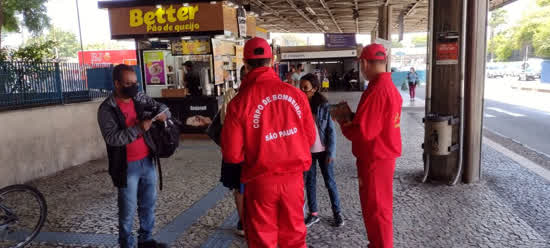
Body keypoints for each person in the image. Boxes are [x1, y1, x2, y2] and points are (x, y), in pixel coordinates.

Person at [221, 37, 316, 248]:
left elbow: (232, 155)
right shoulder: (297, 95)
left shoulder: (239, 103)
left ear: (245, 64)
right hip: (294, 182)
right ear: (271, 61)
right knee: (294, 239)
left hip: (260, 183)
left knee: (263, 240)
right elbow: (309, 138)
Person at [335, 44, 402, 248]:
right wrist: (353, 118)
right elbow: (374, 123)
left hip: (374, 159)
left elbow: (364, 132)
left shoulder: (377, 91)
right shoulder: (386, 87)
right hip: (382, 156)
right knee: (379, 208)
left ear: (364, 63)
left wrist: (344, 121)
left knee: (376, 210)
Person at [97, 64, 170, 248]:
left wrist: (162, 114)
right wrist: (138, 129)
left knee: (148, 205)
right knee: (127, 210)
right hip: (126, 166)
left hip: (147, 160)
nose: (133, 87)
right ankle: (126, 243)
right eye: (128, 83)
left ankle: (145, 240)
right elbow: (112, 138)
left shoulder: (138, 97)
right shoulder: (107, 109)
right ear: (117, 84)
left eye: (135, 83)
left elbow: (160, 106)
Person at [299, 73, 344, 228]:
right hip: (307, 152)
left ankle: (337, 213)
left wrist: (331, 152)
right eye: (301, 88)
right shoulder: (298, 106)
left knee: (329, 182)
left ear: (315, 89)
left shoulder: (323, 106)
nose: (302, 91)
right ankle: (313, 214)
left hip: (324, 151)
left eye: (306, 88)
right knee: (310, 183)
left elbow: (331, 131)